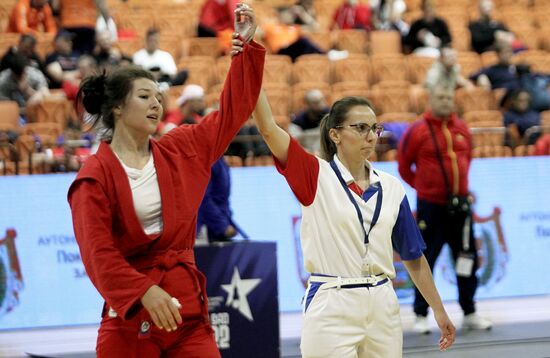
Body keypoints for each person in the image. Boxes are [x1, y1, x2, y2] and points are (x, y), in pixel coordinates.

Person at [234, 37, 455, 355]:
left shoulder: (392, 187)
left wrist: (439, 309)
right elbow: (268, 128)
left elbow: (413, 256)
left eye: (375, 128)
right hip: (331, 301)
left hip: (383, 303)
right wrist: (249, 60)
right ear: (335, 134)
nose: (370, 136)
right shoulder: (315, 175)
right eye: (360, 127)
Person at [67, 4, 264, 357]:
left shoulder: (180, 147)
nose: (156, 104)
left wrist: (245, 51)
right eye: (144, 97)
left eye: (159, 97)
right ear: (116, 108)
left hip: (188, 317)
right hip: (130, 322)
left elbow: (231, 113)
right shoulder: (94, 177)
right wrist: (143, 290)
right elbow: (98, 254)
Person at [397, 85, 493, 334]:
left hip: (460, 208)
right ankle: (420, 313)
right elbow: (404, 165)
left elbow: (467, 160)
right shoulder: (417, 130)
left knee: (467, 258)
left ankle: (469, 311)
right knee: (425, 260)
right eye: (441, 96)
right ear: (431, 99)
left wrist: (459, 188)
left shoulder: (462, 129)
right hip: (431, 208)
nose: (446, 100)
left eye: (449, 97)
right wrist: (426, 189)